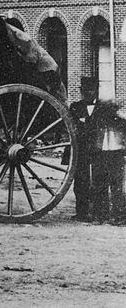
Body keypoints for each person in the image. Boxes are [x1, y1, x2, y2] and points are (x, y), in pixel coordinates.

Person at [90, 96, 126, 224]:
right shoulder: (97, 121)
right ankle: (101, 216)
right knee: (100, 185)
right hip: (100, 154)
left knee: (116, 186)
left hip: (116, 154)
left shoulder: (121, 120)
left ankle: (118, 216)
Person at [69, 77, 99, 221]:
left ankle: (96, 212)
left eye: (91, 90)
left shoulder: (102, 108)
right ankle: (81, 212)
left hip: (97, 150)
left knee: (98, 180)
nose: (88, 93)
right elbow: (70, 127)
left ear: (96, 91)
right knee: (80, 181)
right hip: (80, 150)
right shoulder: (75, 107)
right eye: (85, 91)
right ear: (81, 91)